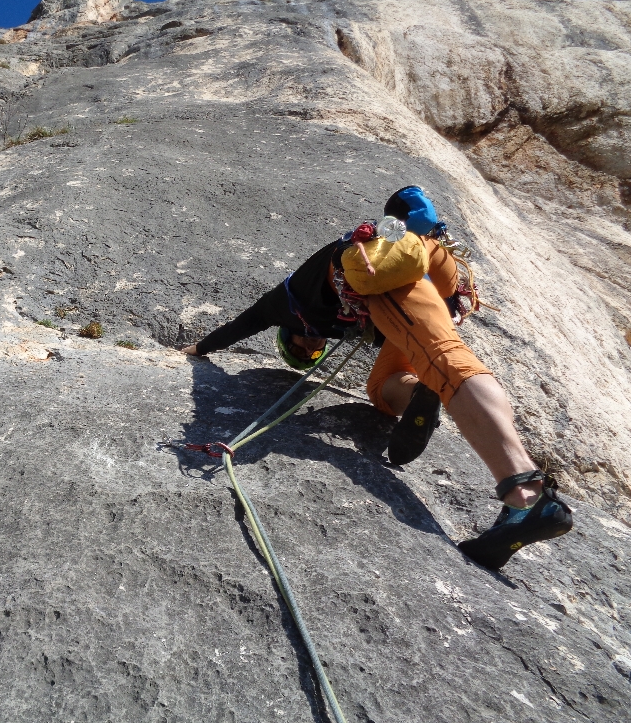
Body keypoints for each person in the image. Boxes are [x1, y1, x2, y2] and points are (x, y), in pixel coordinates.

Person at [180, 186, 573, 570]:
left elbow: (236, 327)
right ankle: (421, 392)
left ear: (287, 334)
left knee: (444, 360)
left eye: (301, 349)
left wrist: (195, 352)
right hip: (427, 266)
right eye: (310, 354)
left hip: (380, 269)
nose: (309, 347)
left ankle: (526, 493)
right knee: (383, 388)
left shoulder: (281, 305)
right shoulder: (342, 323)